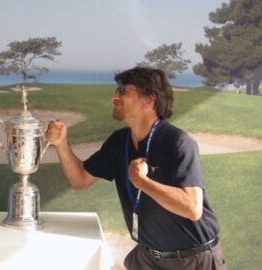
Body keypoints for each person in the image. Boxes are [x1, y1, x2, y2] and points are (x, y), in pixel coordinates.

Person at [46, 67, 226, 270]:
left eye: (123, 91)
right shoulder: (118, 142)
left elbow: (192, 208)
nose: (114, 97)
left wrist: (142, 182)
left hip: (192, 260)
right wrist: (61, 144)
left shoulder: (177, 142)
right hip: (146, 258)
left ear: (149, 101)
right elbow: (79, 180)